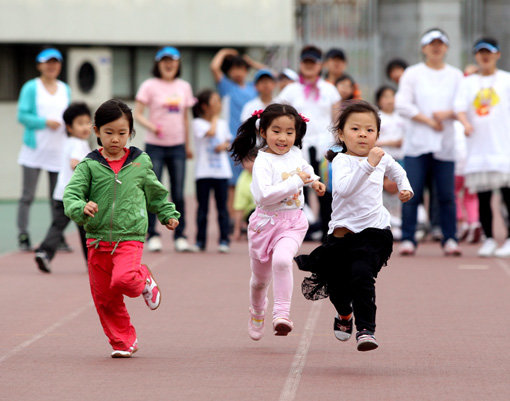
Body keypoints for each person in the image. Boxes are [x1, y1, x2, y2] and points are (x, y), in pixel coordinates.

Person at [63, 99, 180, 358]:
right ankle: (123, 342)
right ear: (96, 131)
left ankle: (143, 279)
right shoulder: (89, 165)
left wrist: (167, 214)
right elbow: (71, 194)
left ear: (130, 133)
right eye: (109, 132)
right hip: (97, 240)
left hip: (130, 237)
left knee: (124, 278)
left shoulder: (140, 163)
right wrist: (81, 207)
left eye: (122, 133)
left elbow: (156, 193)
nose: (115, 139)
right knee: (105, 299)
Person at [294, 101, 413, 351]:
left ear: (377, 135)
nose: (362, 134)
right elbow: (345, 190)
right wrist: (369, 165)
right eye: (355, 129)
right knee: (337, 287)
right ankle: (345, 315)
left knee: (362, 276)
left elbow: (398, 171)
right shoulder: (341, 161)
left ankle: (366, 330)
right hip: (341, 235)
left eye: (369, 130)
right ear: (341, 134)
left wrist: (405, 187)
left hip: (374, 233)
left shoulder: (382, 156)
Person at [229, 103, 326, 340]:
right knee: (259, 281)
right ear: (263, 132)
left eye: (289, 132)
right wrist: (297, 181)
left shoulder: (295, 153)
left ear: (297, 133)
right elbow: (264, 195)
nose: (283, 138)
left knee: (283, 261)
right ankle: (258, 310)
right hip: (264, 225)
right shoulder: (262, 161)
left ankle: (281, 315)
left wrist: (314, 181)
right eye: (276, 131)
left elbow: (305, 168)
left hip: (293, 222)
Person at [395, 28, 463, 256]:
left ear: (446, 48)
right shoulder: (412, 74)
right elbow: (402, 104)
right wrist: (427, 120)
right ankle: (408, 238)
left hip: (445, 145)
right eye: (431, 43)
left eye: (440, 43)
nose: (436, 47)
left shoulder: (455, 75)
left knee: (446, 195)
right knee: (411, 193)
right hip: (417, 144)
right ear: (424, 48)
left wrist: (447, 114)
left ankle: (450, 238)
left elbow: (463, 106)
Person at [134, 46, 194, 253]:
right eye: (164, 60)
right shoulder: (149, 85)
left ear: (178, 64)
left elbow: (185, 118)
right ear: (158, 64)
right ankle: (153, 234)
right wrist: (152, 127)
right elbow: (138, 113)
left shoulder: (184, 86)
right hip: (155, 146)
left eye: (173, 60)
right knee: (153, 190)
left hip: (177, 146)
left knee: (178, 192)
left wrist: (188, 144)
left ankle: (180, 235)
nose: (169, 64)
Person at [455, 38, 510, 257]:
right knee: (484, 197)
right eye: (480, 53)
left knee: (507, 196)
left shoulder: (506, 80)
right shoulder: (468, 83)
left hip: (503, 148)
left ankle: (508, 239)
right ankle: (489, 238)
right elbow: (459, 108)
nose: (484, 56)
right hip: (479, 149)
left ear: (497, 55)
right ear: (476, 56)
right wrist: (466, 123)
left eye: (489, 52)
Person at [17, 47, 71, 251]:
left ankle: (57, 236)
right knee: (27, 196)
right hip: (34, 150)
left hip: (58, 151)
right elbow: (22, 116)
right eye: (47, 62)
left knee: (58, 197)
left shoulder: (65, 88)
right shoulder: (31, 87)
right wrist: (44, 122)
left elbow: (69, 116)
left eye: (55, 62)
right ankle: (23, 234)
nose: (52, 66)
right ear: (40, 65)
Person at [34, 102, 91, 273]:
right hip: (76, 196)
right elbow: (75, 163)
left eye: (88, 122)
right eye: (80, 123)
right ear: (69, 127)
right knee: (86, 229)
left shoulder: (68, 142)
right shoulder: (77, 144)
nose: (85, 127)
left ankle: (44, 252)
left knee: (57, 226)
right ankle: (93, 263)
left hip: (61, 193)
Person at [191, 89, 232, 252]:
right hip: (204, 173)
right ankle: (200, 241)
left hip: (222, 173)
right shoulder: (198, 123)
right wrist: (215, 117)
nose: (219, 105)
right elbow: (211, 132)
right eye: (215, 102)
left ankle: (224, 240)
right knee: (203, 209)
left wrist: (225, 146)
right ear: (205, 106)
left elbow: (228, 141)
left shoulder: (223, 123)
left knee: (222, 209)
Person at [375, 86, 406, 240]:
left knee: (398, 189)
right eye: (385, 96)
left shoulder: (401, 117)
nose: (389, 100)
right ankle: (384, 223)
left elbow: (406, 140)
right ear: (379, 100)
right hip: (381, 159)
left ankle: (398, 221)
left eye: (392, 96)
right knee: (382, 190)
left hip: (399, 159)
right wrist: (393, 142)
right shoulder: (377, 117)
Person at [232, 149, 257, 241]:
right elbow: (239, 206)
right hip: (253, 214)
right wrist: (236, 230)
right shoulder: (242, 180)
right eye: (246, 161)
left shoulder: (268, 174)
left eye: (252, 160)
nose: (249, 164)